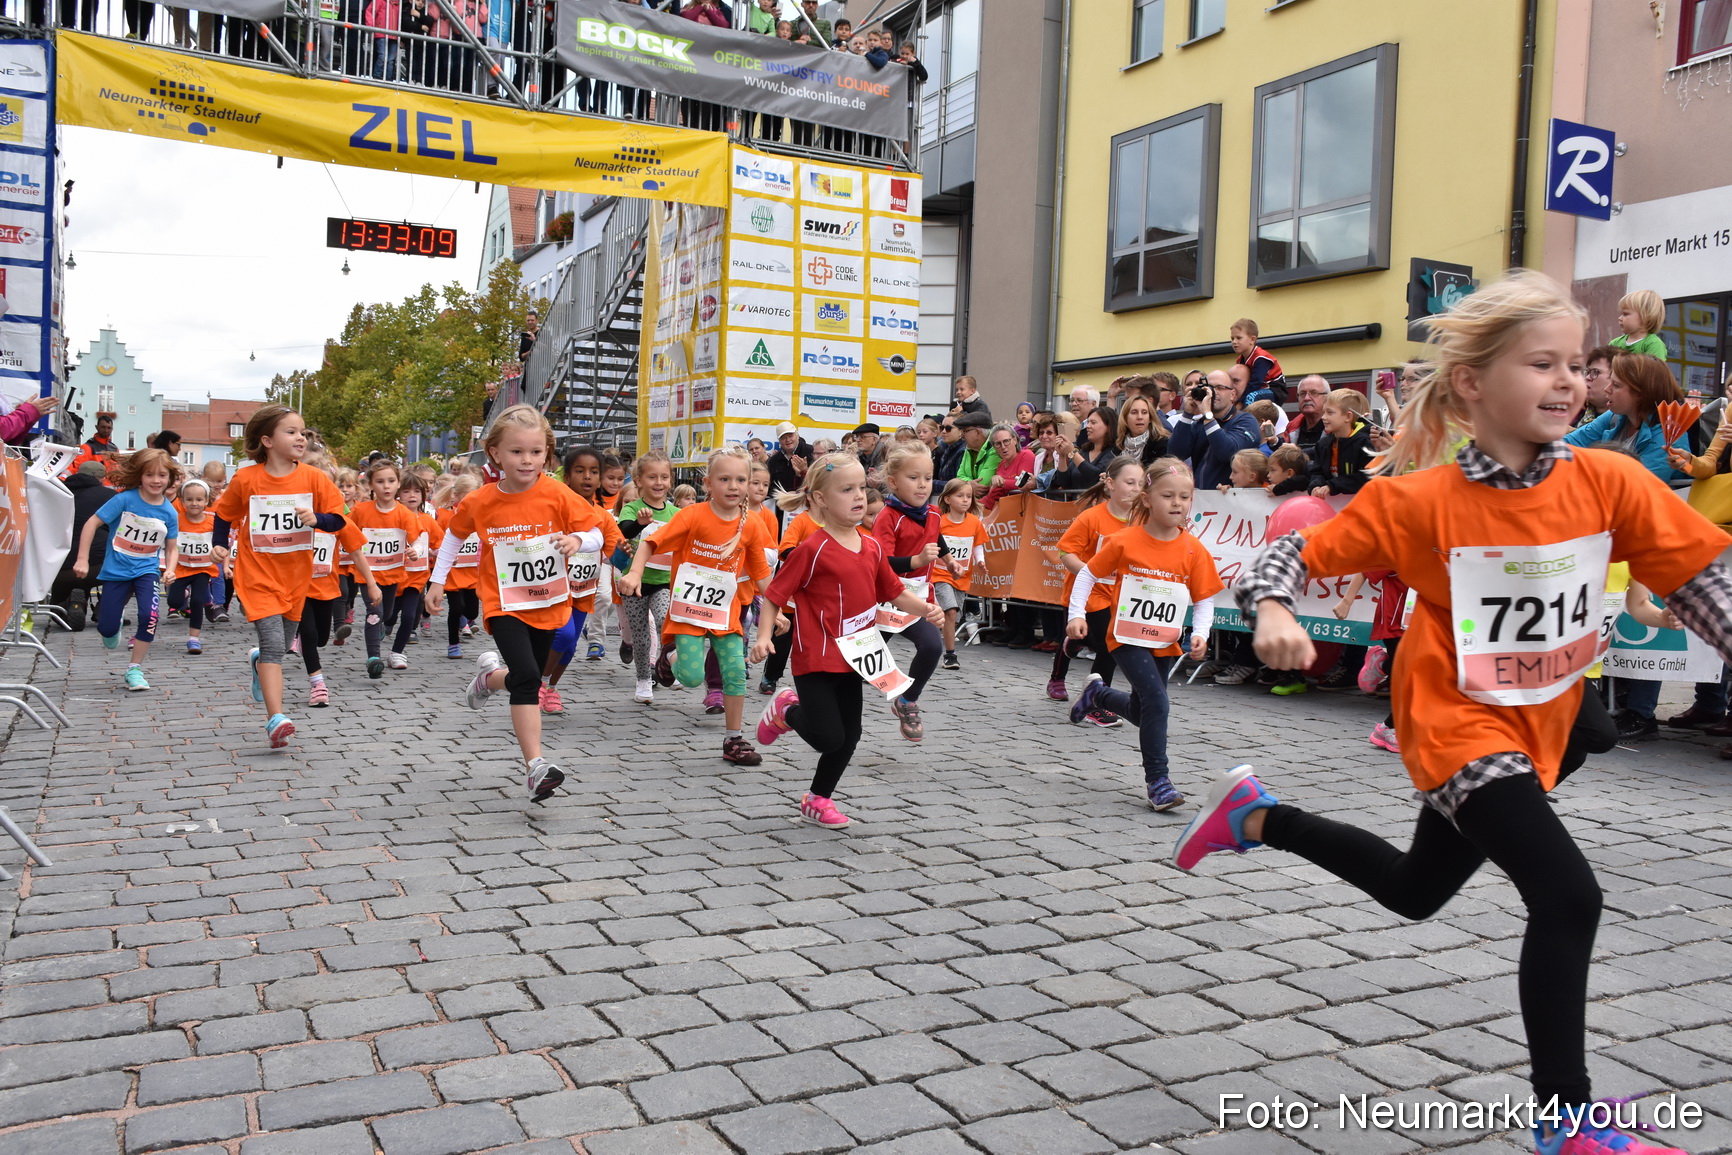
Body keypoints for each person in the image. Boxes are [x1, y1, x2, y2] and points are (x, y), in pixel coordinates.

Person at [1177, 271, 1732, 1155]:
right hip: (1452, 723)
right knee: (1569, 894)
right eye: (1541, 363)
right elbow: (1287, 552)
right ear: (1471, 382)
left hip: (1543, 720)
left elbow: (1700, 578)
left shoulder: (1611, 481)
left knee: (1414, 890)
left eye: (1578, 365)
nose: (1567, 382)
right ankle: (1568, 1123)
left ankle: (1256, 815)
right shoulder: (1417, 500)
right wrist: (1275, 610)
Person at [755, 454, 943, 828]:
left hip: (857, 657)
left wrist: (925, 609)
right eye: (847, 490)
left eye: (861, 488)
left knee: (850, 736)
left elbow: (893, 592)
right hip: (816, 659)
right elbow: (776, 594)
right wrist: (763, 635)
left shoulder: (872, 547)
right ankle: (786, 710)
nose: (859, 497)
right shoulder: (812, 549)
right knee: (828, 737)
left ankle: (818, 799)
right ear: (821, 499)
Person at [427, 405, 603, 802]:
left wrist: (577, 541)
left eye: (536, 452)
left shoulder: (558, 492)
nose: (527, 460)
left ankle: (488, 679)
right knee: (526, 674)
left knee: (529, 676)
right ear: (496, 454)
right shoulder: (481, 500)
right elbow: (455, 536)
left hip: (549, 601)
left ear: (547, 453)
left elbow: (594, 530)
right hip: (503, 602)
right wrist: (437, 581)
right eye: (517, 452)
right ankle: (535, 766)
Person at [1069, 457, 1221, 811]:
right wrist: (1077, 614)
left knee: (1143, 710)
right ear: (1148, 499)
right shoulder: (1125, 541)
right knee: (1158, 704)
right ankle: (1159, 781)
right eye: (1168, 496)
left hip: (1164, 642)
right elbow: (1087, 575)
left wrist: (1200, 633)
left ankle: (1098, 696)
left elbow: (1204, 600)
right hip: (1126, 637)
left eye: (1184, 498)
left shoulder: (1194, 551)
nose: (1177, 504)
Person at [618, 446, 773, 766]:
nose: (734, 486)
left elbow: (762, 576)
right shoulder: (692, 516)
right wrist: (634, 572)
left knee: (734, 671)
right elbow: (650, 542)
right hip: (687, 611)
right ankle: (669, 657)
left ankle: (733, 739)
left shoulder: (753, 525)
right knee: (689, 677)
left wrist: (775, 616)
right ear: (707, 483)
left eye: (741, 479)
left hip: (724, 613)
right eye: (725, 479)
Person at [212, 405, 349, 749]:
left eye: (302, 432)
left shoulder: (314, 479)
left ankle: (259, 662)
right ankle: (276, 718)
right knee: (275, 645)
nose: (301, 437)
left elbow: (339, 520)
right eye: (291, 432)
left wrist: (316, 520)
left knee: (284, 644)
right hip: (256, 575)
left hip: (296, 578)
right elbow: (224, 515)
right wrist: (218, 546)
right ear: (267, 440)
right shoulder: (246, 479)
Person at [73, 447, 182, 692]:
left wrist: (171, 569)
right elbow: (92, 523)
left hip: (147, 571)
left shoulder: (169, 512)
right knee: (107, 629)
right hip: (116, 571)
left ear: (170, 479)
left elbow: (172, 548)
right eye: (150, 475)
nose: (156, 480)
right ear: (140, 476)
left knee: (150, 616)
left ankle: (134, 669)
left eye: (162, 475)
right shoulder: (125, 499)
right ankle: (114, 624)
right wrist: (82, 559)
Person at [1051, 455, 1143, 711]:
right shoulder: (1091, 518)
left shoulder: (1143, 521)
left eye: (1140, 483)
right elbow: (1065, 553)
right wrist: (1090, 572)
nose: (1136, 489)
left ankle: (1096, 696)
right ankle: (1091, 700)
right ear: (1111, 484)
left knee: (1110, 644)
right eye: (1129, 482)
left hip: (1121, 594)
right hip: (1088, 593)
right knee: (1109, 644)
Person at [872, 445, 947, 741]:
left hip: (918, 599)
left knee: (932, 647)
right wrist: (916, 561)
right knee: (859, 664)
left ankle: (907, 700)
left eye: (927, 478)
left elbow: (936, 533)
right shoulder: (888, 517)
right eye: (914, 477)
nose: (922, 485)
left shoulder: (933, 513)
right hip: (885, 602)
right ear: (893, 482)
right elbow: (881, 562)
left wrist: (949, 558)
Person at [298, 482, 380, 709]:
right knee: (309, 633)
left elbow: (357, 553)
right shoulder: (292, 520)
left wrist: (372, 584)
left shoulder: (337, 522)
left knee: (322, 638)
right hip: (298, 589)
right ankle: (317, 685)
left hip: (326, 589)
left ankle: (302, 639)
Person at [349, 460, 427, 677]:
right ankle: (374, 658)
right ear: (370, 485)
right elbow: (346, 530)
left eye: (391, 481)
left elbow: (418, 538)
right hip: (368, 574)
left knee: (387, 613)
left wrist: (416, 550)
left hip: (393, 574)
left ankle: (381, 625)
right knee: (374, 611)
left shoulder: (404, 513)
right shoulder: (361, 511)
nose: (386, 486)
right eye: (380, 481)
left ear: (397, 484)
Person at [1564, 353, 1688, 482]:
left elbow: (1639, 486)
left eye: (1616, 385)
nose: (1607, 389)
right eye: (1610, 381)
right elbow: (1569, 443)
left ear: (1641, 393)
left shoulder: (1669, 434)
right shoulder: (1616, 415)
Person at [616, 451, 678, 702]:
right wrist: (640, 524)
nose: (659, 482)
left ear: (671, 480)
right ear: (639, 480)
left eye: (664, 477)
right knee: (641, 636)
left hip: (662, 582)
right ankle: (644, 679)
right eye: (652, 477)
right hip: (634, 582)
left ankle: (667, 662)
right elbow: (623, 531)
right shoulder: (632, 508)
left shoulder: (675, 513)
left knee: (665, 622)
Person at [1169, 370, 1259, 490]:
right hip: (1202, 502)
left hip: (1234, 501)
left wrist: (1207, 415)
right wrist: (1187, 415)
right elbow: (1175, 455)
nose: (1213, 393)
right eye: (1209, 388)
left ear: (1232, 394)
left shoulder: (1246, 421)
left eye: (1220, 388)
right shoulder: (1200, 424)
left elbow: (1228, 453)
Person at [931, 479, 986, 670]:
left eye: (969, 496)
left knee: (952, 616)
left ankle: (941, 643)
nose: (965, 500)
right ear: (947, 498)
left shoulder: (974, 522)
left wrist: (981, 561)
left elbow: (977, 545)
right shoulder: (940, 522)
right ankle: (950, 655)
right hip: (940, 574)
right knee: (951, 611)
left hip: (962, 577)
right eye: (960, 496)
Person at [52, 460, 113, 631]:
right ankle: (107, 609)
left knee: (57, 605)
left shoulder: (58, 492)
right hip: (98, 567)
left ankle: (63, 606)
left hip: (58, 568)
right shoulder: (109, 496)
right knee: (128, 572)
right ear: (102, 479)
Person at [164, 478, 219, 655]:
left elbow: (221, 544)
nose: (194, 503)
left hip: (202, 569)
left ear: (206, 502)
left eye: (199, 500)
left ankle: (193, 639)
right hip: (181, 567)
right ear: (182, 500)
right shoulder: (176, 519)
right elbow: (169, 542)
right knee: (174, 601)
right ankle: (183, 593)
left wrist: (223, 560)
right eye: (189, 499)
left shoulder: (212, 521)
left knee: (198, 601)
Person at [1306, 389, 1376, 496]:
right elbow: (1317, 472)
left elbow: (1366, 476)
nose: (1323, 417)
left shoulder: (1364, 443)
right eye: (1323, 412)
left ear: (1348, 417)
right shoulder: (1322, 444)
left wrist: (1331, 486)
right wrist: (1316, 485)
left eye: (1330, 412)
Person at [1050, 406, 1117, 492]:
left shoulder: (1114, 453)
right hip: (1075, 504)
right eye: (1088, 422)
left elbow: (1095, 477)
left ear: (1108, 427)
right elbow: (1063, 482)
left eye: (1093, 422)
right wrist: (1062, 456)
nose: (1088, 426)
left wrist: (1072, 452)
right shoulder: (1083, 452)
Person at [1230, 318, 1288, 404]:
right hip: (1260, 389)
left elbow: (1255, 383)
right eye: (1232, 338)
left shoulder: (1261, 358)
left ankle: (1246, 417)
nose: (1234, 342)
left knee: (1251, 397)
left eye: (1239, 338)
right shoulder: (1240, 360)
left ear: (1252, 340)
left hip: (1274, 390)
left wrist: (1240, 403)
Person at [981, 423, 1034, 510]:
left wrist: (1001, 482)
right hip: (1002, 512)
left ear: (1015, 440)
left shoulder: (1026, 455)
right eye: (998, 444)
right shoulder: (1001, 465)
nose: (1003, 447)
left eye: (1006, 441)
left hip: (1022, 511)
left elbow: (1023, 484)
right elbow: (993, 496)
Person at [1609, 288, 1669, 360]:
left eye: (1625, 314)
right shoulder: (1615, 343)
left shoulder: (1653, 344)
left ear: (1646, 317)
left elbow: (1654, 370)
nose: (1620, 318)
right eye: (1620, 314)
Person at [1116, 394, 1169, 465]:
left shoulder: (1162, 443)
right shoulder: (1118, 445)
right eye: (1134, 412)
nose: (1140, 417)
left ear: (1150, 418)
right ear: (1125, 418)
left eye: (1144, 412)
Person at [1283, 375, 1330, 454]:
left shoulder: (1336, 429)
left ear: (1327, 397)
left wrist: (1297, 453)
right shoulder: (1290, 429)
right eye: (1302, 393)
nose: (1306, 398)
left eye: (1314, 393)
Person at [766, 421, 813, 497]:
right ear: (779, 441)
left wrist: (804, 471)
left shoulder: (811, 452)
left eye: (790, 436)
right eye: (783, 437)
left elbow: (819, 481)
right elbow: (769, 486)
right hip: (781, 504)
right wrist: (782, 494)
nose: (788, 440)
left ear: (797, 435)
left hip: (806, 502)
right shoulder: (773, 461)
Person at [951, 412, 999, 485]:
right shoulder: (970, 448)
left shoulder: (995, 448)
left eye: (965, 431)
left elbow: (983, 484)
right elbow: (959, 476)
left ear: (978, 432)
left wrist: (966, 484)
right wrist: (970, 484)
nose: (961, 436)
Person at [1577, 345, 1613, 427]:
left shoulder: (1625, 422)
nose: (1587, 377)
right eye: (1588, 372)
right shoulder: (1574, 412)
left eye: (1595, 372)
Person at [933, 416, 966, 483]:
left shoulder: (962, 451)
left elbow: (958, 484)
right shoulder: (945, 448)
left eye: (948, 428)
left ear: (961, 431)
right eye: (942, 428)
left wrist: (932, 483)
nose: (944, 431)